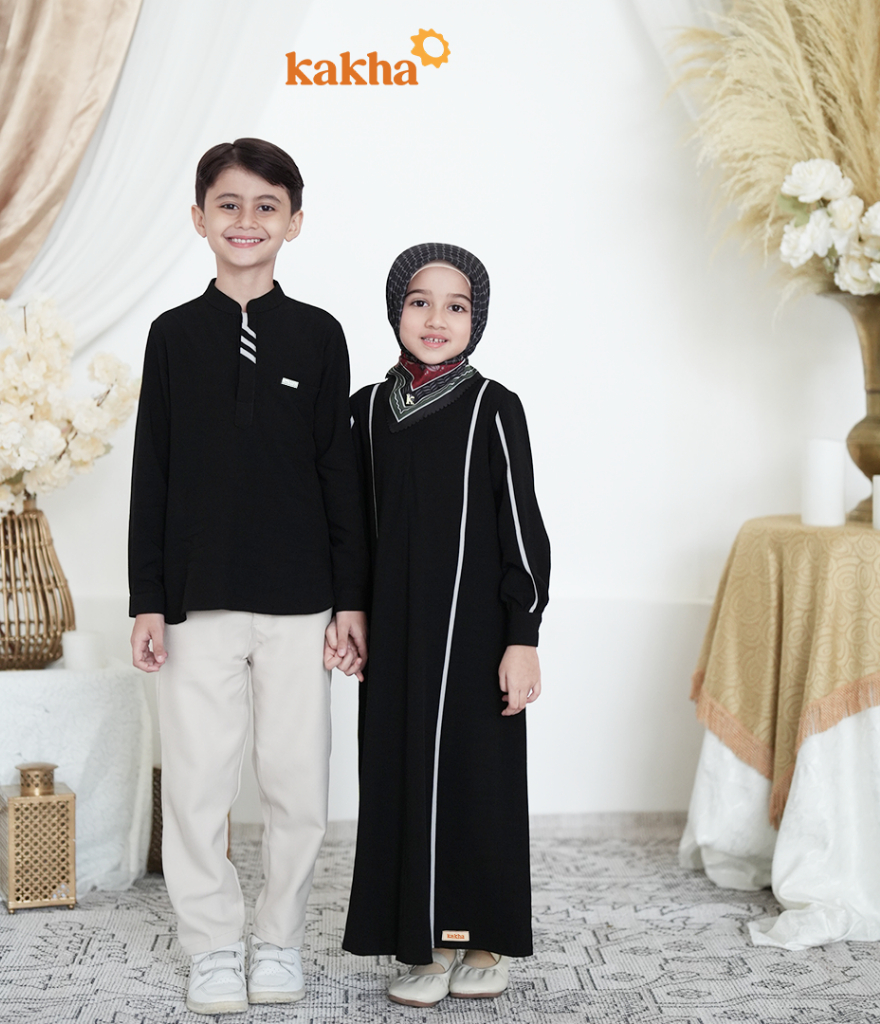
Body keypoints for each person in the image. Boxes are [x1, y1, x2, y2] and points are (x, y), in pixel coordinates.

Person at [129, 138, 368, 1016]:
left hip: (302, 602)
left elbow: (340, 474)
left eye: (267, 206)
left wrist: (352, 600)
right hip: (196, 603)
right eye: (228, 204)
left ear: (294, 223)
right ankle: (212, 948)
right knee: (197, 785)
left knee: (297, 783)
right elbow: (152, 472)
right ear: (199, 219)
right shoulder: (171, 336)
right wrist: (147, 600)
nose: (246, 220)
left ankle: (278, 941)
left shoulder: (320, 335)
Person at [330, 242, 550, 1006]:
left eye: (456, 306)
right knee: (398, 777)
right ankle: (418, 944)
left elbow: (522, 526)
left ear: (476, 320)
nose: (436, 318)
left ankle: (482, 939)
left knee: (477, 782)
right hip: (396, 639)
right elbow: (350, 527)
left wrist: (522, 637)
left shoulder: (494, 407)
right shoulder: (365, 411)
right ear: (396, 309)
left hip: (478, 640)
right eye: (420, 301)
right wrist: (350, 610)